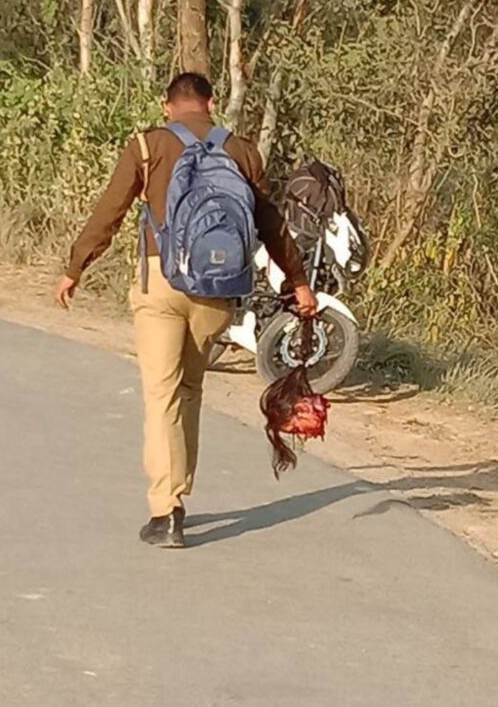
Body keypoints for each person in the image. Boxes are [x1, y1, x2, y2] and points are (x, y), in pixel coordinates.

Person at [55, 73, 317, 548]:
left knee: (162, 396)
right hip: (216, 291)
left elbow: (108, 212)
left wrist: (76, 266)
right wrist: (298, 282)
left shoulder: (147, 145)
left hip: (161, 283)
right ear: (212, 104)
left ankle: (166, 510)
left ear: (166, 106)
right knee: (190, 391)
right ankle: (179, 493)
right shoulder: (242, 151)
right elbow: (271, 224)